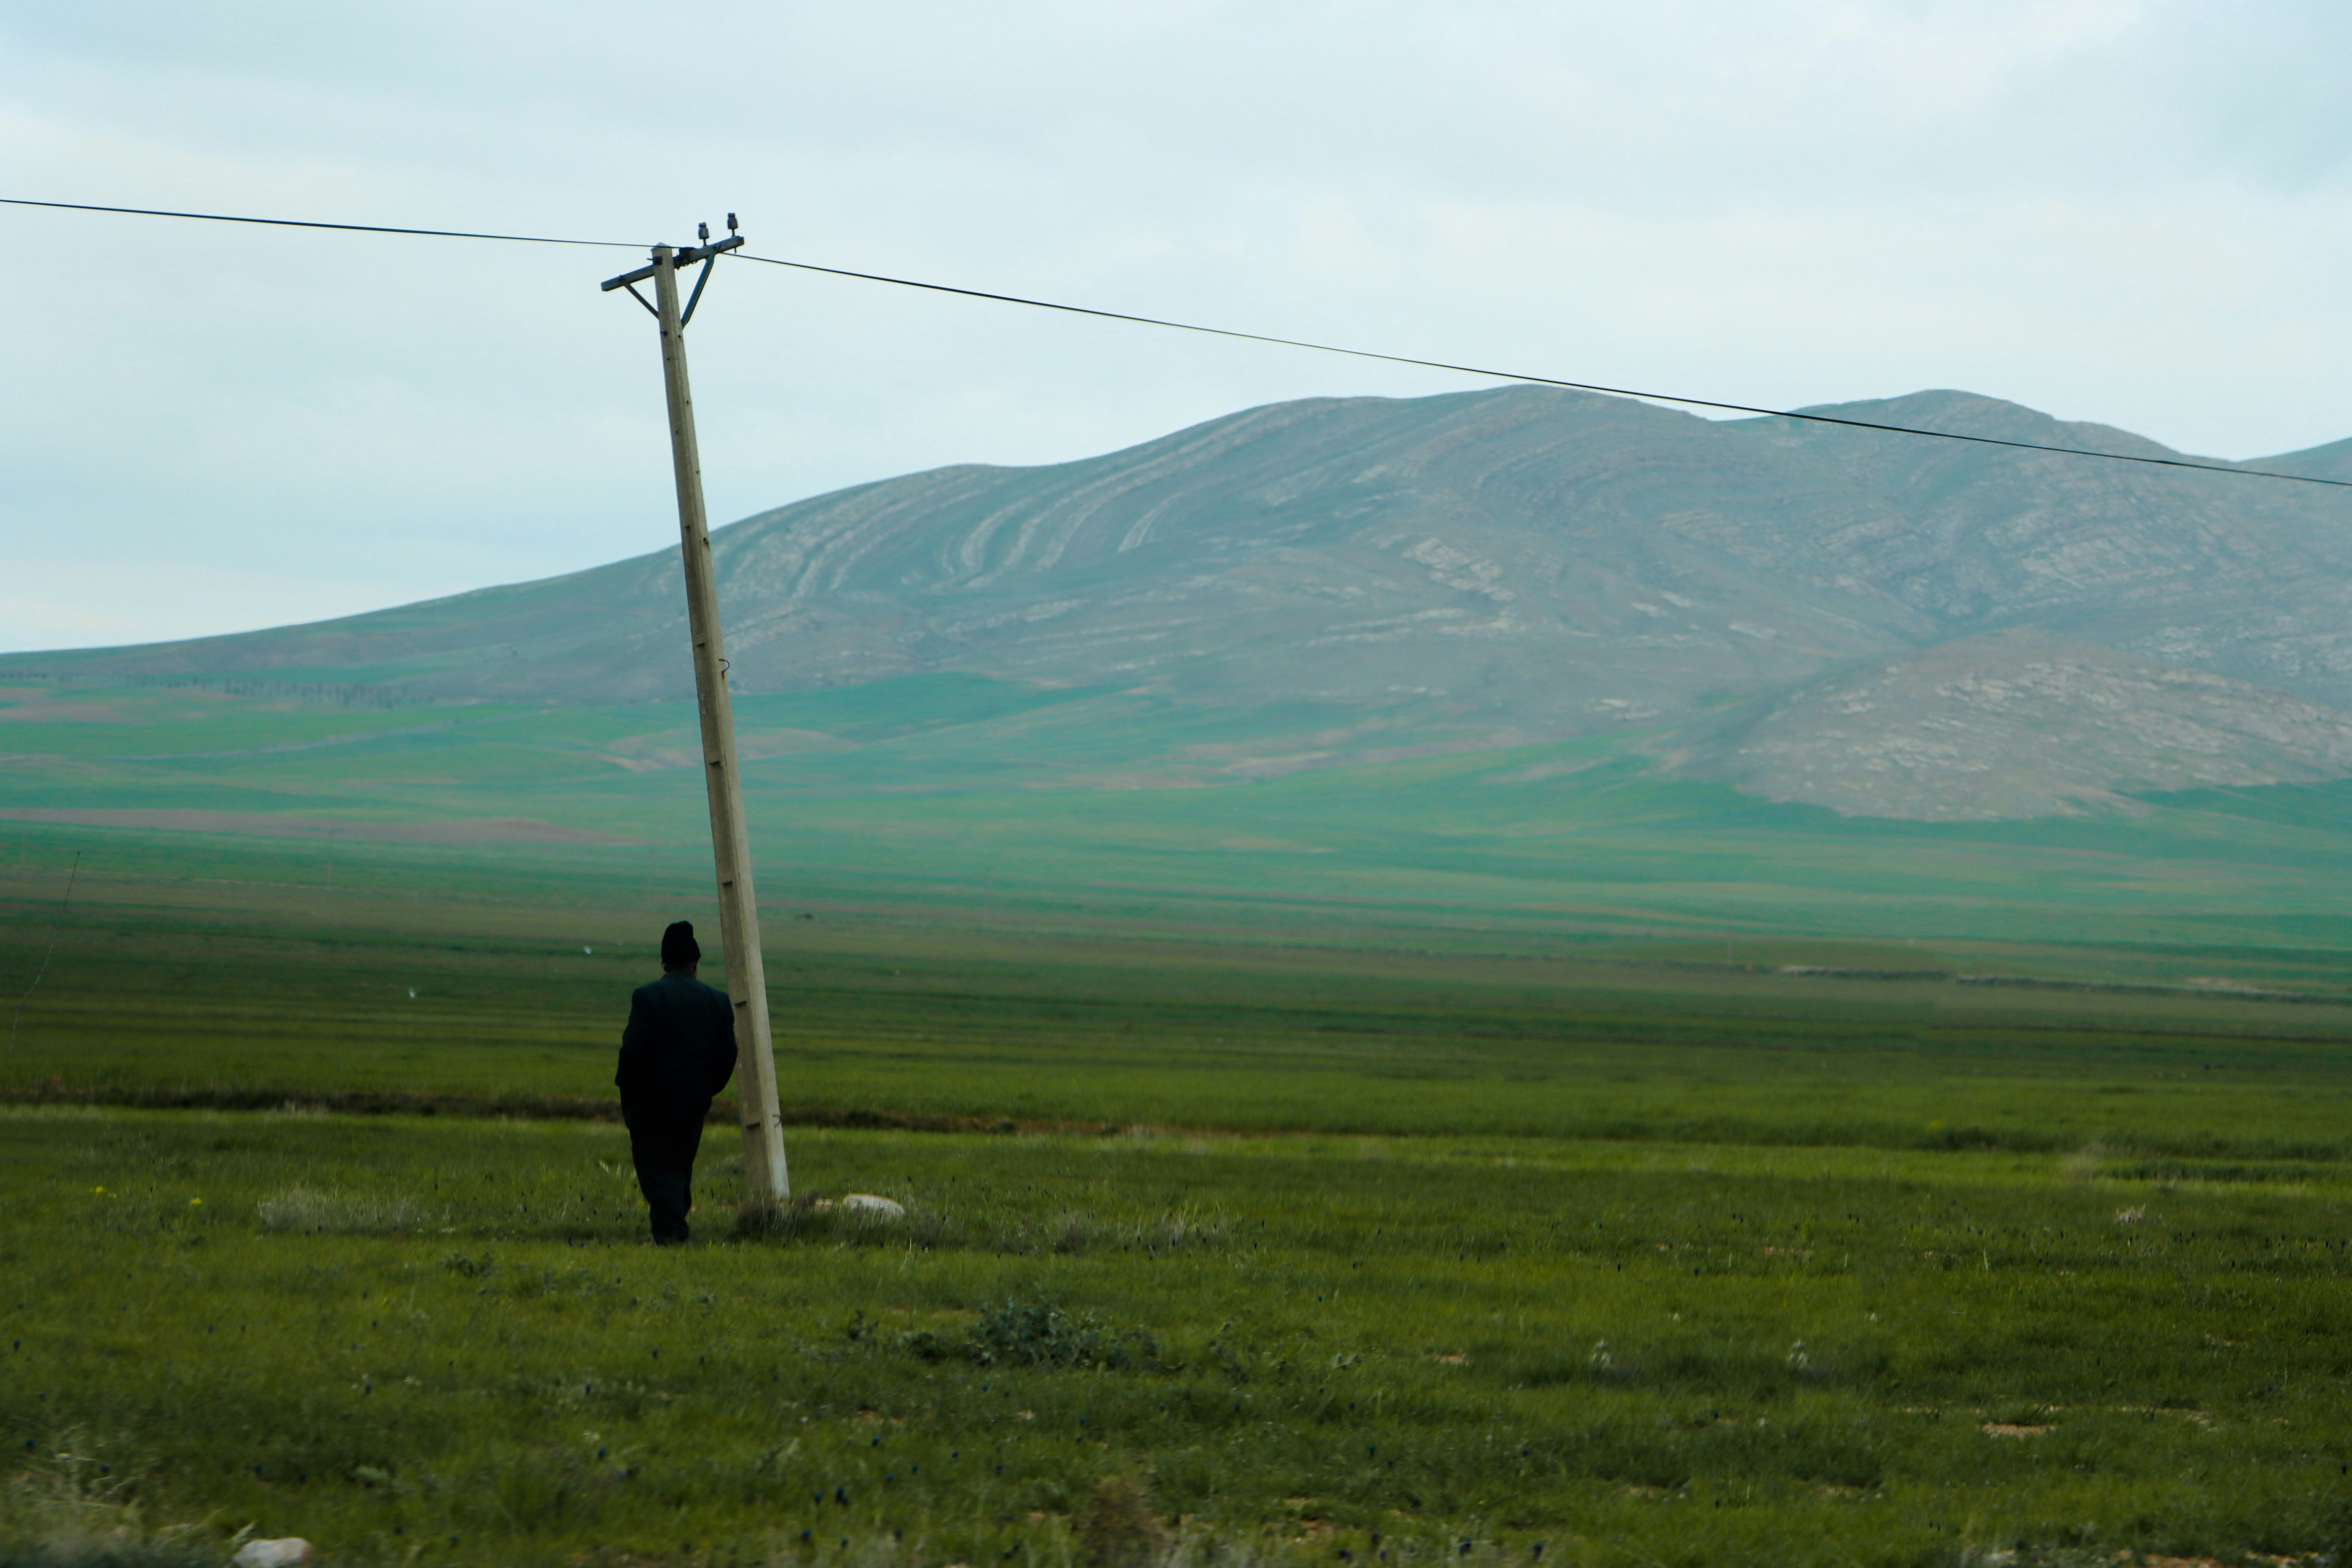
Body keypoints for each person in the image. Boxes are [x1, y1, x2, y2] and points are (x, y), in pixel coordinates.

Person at [615, 921, 738, 1244]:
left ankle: (671, 1237)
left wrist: (630, 1092)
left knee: (657, 1169)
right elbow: (728, 1057)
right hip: (694, 1101)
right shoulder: (718, 1001)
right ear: (696, 964)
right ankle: (673, 1228)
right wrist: (706, 1089)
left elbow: (631, 1052)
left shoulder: (647, 997)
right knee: (680, 1165)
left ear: (663, 963)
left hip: (651, 1104)